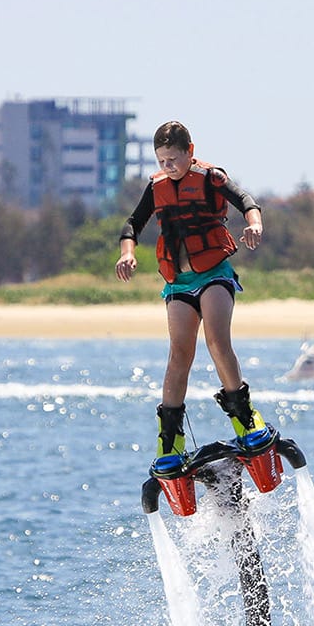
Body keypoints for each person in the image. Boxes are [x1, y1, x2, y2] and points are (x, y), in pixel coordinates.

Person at [117, 120, 267, 460]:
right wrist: (128, 254)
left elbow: (245, 200)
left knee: (216, 340)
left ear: (190, 152)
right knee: (179, 354)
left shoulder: (210, 178)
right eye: (161, 162)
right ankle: (170, 439)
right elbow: (132, 224)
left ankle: (245, 419)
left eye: (173, 159)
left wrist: (254, 223)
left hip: (214, 274)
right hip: (178, 284)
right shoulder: (156, 188)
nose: (168, 167)